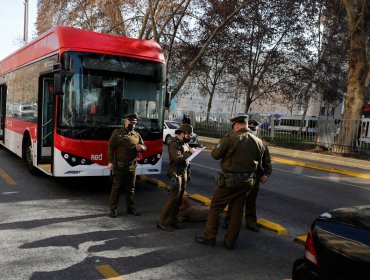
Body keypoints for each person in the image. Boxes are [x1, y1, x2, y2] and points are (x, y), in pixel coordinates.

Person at [194, 114, 266, 249]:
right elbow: (261, 161)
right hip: (247, 182)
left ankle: (209, 238)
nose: (233, 128)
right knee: (237, 212)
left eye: (234, 125)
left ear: (237, 125)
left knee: (215, 207)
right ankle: (230, 242)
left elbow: (215, 155)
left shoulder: (230, 138)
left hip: (230, 181)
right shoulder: (259, 142)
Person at [223, 133, 272, 232]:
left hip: (254, 176)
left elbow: (267, 160)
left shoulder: (260, 143)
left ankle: (251, 222)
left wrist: (267, 173)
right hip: (239, 175)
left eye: (254, 129)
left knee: (251, 201)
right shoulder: (238, 141)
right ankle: (229, 221)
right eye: (251, 129)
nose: (252, 132)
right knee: (235, 200)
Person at [107, 113, 147, 218]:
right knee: (116, 188)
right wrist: (110, 162)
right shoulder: (117, 133)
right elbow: (110, 148)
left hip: (132, 166)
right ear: (126, 121)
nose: (133, 125)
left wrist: (142, 148)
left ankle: (131, 208)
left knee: (131, 188)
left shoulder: (136, 135)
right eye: (131, 122)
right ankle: (113, 209)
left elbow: (144, 146)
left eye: (135, 123)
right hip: (120, 166)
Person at [157, 123, 195, 231]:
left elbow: (186, 156)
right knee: (173, 199)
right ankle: (162, 222)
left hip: (183, 173)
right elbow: (177, 158)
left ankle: (173, 220)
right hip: (176, 173)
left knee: (179, 199)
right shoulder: (174, 143)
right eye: (188, 135)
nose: (189, 137)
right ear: (182, 134)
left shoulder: (184, 143)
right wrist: (190, 153)